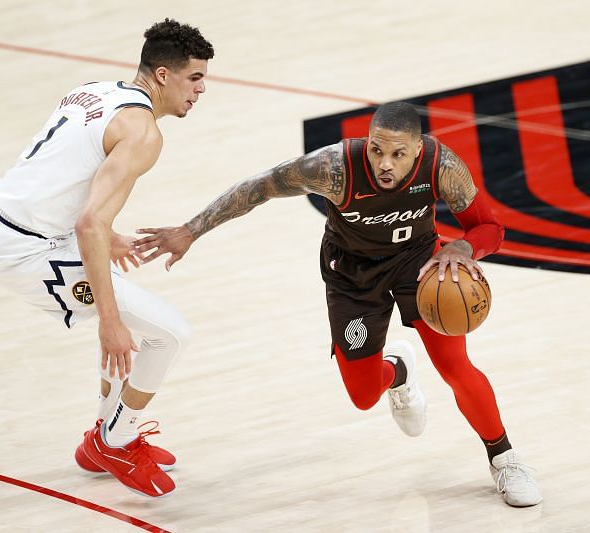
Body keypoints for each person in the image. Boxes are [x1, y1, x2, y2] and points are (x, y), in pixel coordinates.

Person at [133, 102, 542, 507]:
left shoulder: (440, 165)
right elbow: (259, 186)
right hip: (352, 277)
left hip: (417, 266)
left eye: (398, 154)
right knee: (363, 396)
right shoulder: (334, 168)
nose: (385, 163)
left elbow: (490, 226)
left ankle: (504, 459)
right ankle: (398, 371)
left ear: (417, 150)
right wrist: (191, 230)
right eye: (377, 150)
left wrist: (464, 246)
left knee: (456, 367)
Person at [0, 19, 214, 498]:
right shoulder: (144, 132)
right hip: (27, 250)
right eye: (195, 78)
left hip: (14, 221)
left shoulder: (94, 90)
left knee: (140, 326)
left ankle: (102, 438)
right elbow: (89, 222)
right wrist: (108, 319)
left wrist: (110, 236)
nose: (202, 89)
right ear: (164, 75)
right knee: (167, 334)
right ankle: (117, 439)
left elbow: (57, 175)